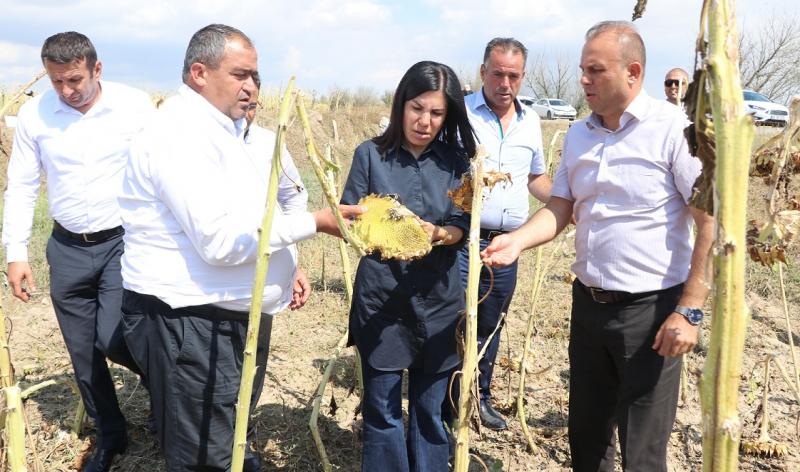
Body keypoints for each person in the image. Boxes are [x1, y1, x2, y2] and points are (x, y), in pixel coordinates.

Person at [118, 24, 361, 471]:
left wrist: (288, 265)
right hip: (193, 322)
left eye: (255, 76)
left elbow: (263, 211)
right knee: (202, 452)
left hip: (232, 315)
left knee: (227, 426)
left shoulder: (231, 133)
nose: (251, 86)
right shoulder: (179, 134)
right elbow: (220, 243)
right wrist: (316, 224)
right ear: (198, 73)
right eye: (240, 74)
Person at [482, 21, 713, 472]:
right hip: (588, 306)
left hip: (652, 313)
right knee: (587, 441)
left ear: (632, 71)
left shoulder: (674, 131)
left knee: (643, 450)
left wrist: (689, 309)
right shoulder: (579, 135)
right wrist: (517, 241)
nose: (583, 80)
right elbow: (561, 207)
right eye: (582, 70)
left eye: (595, 71)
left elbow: (710, 220)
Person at [2, 31, 153, 472]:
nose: (67, 91)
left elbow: (161, 171)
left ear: (96, 69)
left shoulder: (135, 107)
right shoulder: (35, 116)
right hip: (66, 247)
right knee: (82, 350)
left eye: (75, 80)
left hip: (122, 244)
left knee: (114, 336)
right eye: (57, 82)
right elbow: (24, 185)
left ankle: (168, 398)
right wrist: (16, 252)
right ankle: (110, 435)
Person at [340, 60, 476, 472]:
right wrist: (376, 229)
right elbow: (349, 216)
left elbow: (462, 225)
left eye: (436, 113)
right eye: (417, 108)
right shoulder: (370, 155)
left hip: (438, 300)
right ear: (402, 105)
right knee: (381, 409)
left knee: (430, 409)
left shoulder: (458, 161)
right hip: (382, 298)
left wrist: (436, 235)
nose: (425, 121)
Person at [455, 37, 551, 431]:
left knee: (492, 321)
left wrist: (568, 201)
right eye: (497, 74)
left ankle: (482, 397)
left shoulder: (531, 121)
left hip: (505, 244)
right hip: (460, 240)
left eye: (513, 75)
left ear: (522, 77)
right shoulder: (460, 113)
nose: (505, 83)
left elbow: (536, 177)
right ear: (483, 72)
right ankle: (450, 398)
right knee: (457, 320)